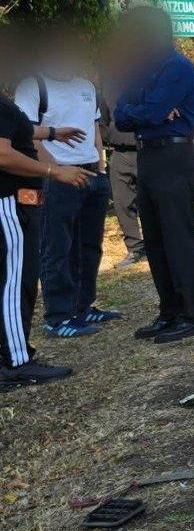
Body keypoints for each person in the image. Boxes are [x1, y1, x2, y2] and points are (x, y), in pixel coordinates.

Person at [111, 5, 194, 344]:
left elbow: (150, 111)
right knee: (155, 241)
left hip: (174, 156)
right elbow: (120, 116)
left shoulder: (177, 67)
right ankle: (169, 311)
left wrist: (145, 112)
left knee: (178, 239)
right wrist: (147, 112)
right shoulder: (138, 71)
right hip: (148, 158)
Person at [14, 33, 122, 339]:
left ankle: (84, 306)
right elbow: (26, 135)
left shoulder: (86, 86)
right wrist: (55, 171)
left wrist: (100, 167)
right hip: (57, 177)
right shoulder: (33, 85)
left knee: (89, 246)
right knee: (57, 248)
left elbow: (93, 128)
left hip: (91, 175)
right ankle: (58, 315)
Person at [0, 81, 92, 387]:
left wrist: (53, 133)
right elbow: (3, 154)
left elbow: (18, 132)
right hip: (9, 203)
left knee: (18, 279)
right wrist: (55, 171)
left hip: (20, 202)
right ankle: (16, 361)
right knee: (15, 283)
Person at [103, 115, 145, 267]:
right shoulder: (108, 91)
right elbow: (101, 122)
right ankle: (135, 248)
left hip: (148, 148)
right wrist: (114, 136)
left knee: (152, 200)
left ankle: (158, 243)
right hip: (120, 152)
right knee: (122, 201)